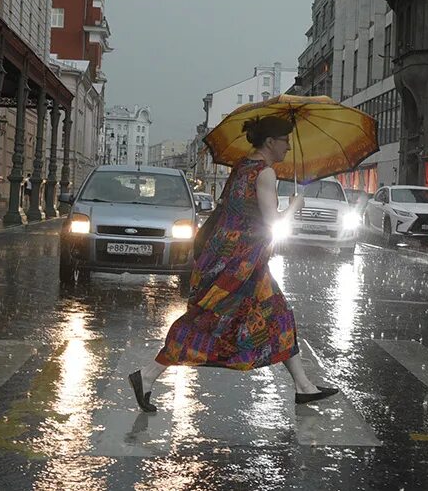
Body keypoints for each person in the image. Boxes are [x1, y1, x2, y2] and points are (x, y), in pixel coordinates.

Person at [129, 116, 339, 412]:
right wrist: (295, 206)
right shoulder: (265, 174)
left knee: (277, 313)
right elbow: (273, 222)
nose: (288, 148)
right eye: (285, 141)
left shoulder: (242, 166)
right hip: (235, 264)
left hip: (231, 259)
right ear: (270, 142)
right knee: (204, 323)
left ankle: (303, 386)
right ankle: (148, 375)